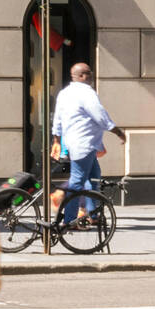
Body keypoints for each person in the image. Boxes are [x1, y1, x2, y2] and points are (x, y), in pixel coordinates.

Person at [51, 64, 126, 224]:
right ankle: (69, 221)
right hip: (83, 145)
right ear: (82, 76)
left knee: (93, 177)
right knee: (77, 182)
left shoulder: (64, 93)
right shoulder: (86, 93)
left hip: (78, 144)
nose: (91, 77)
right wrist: (117, 131)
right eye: (89, 74)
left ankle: (93, 214)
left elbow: (57, 119)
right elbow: (99, 114)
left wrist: (56, 140)